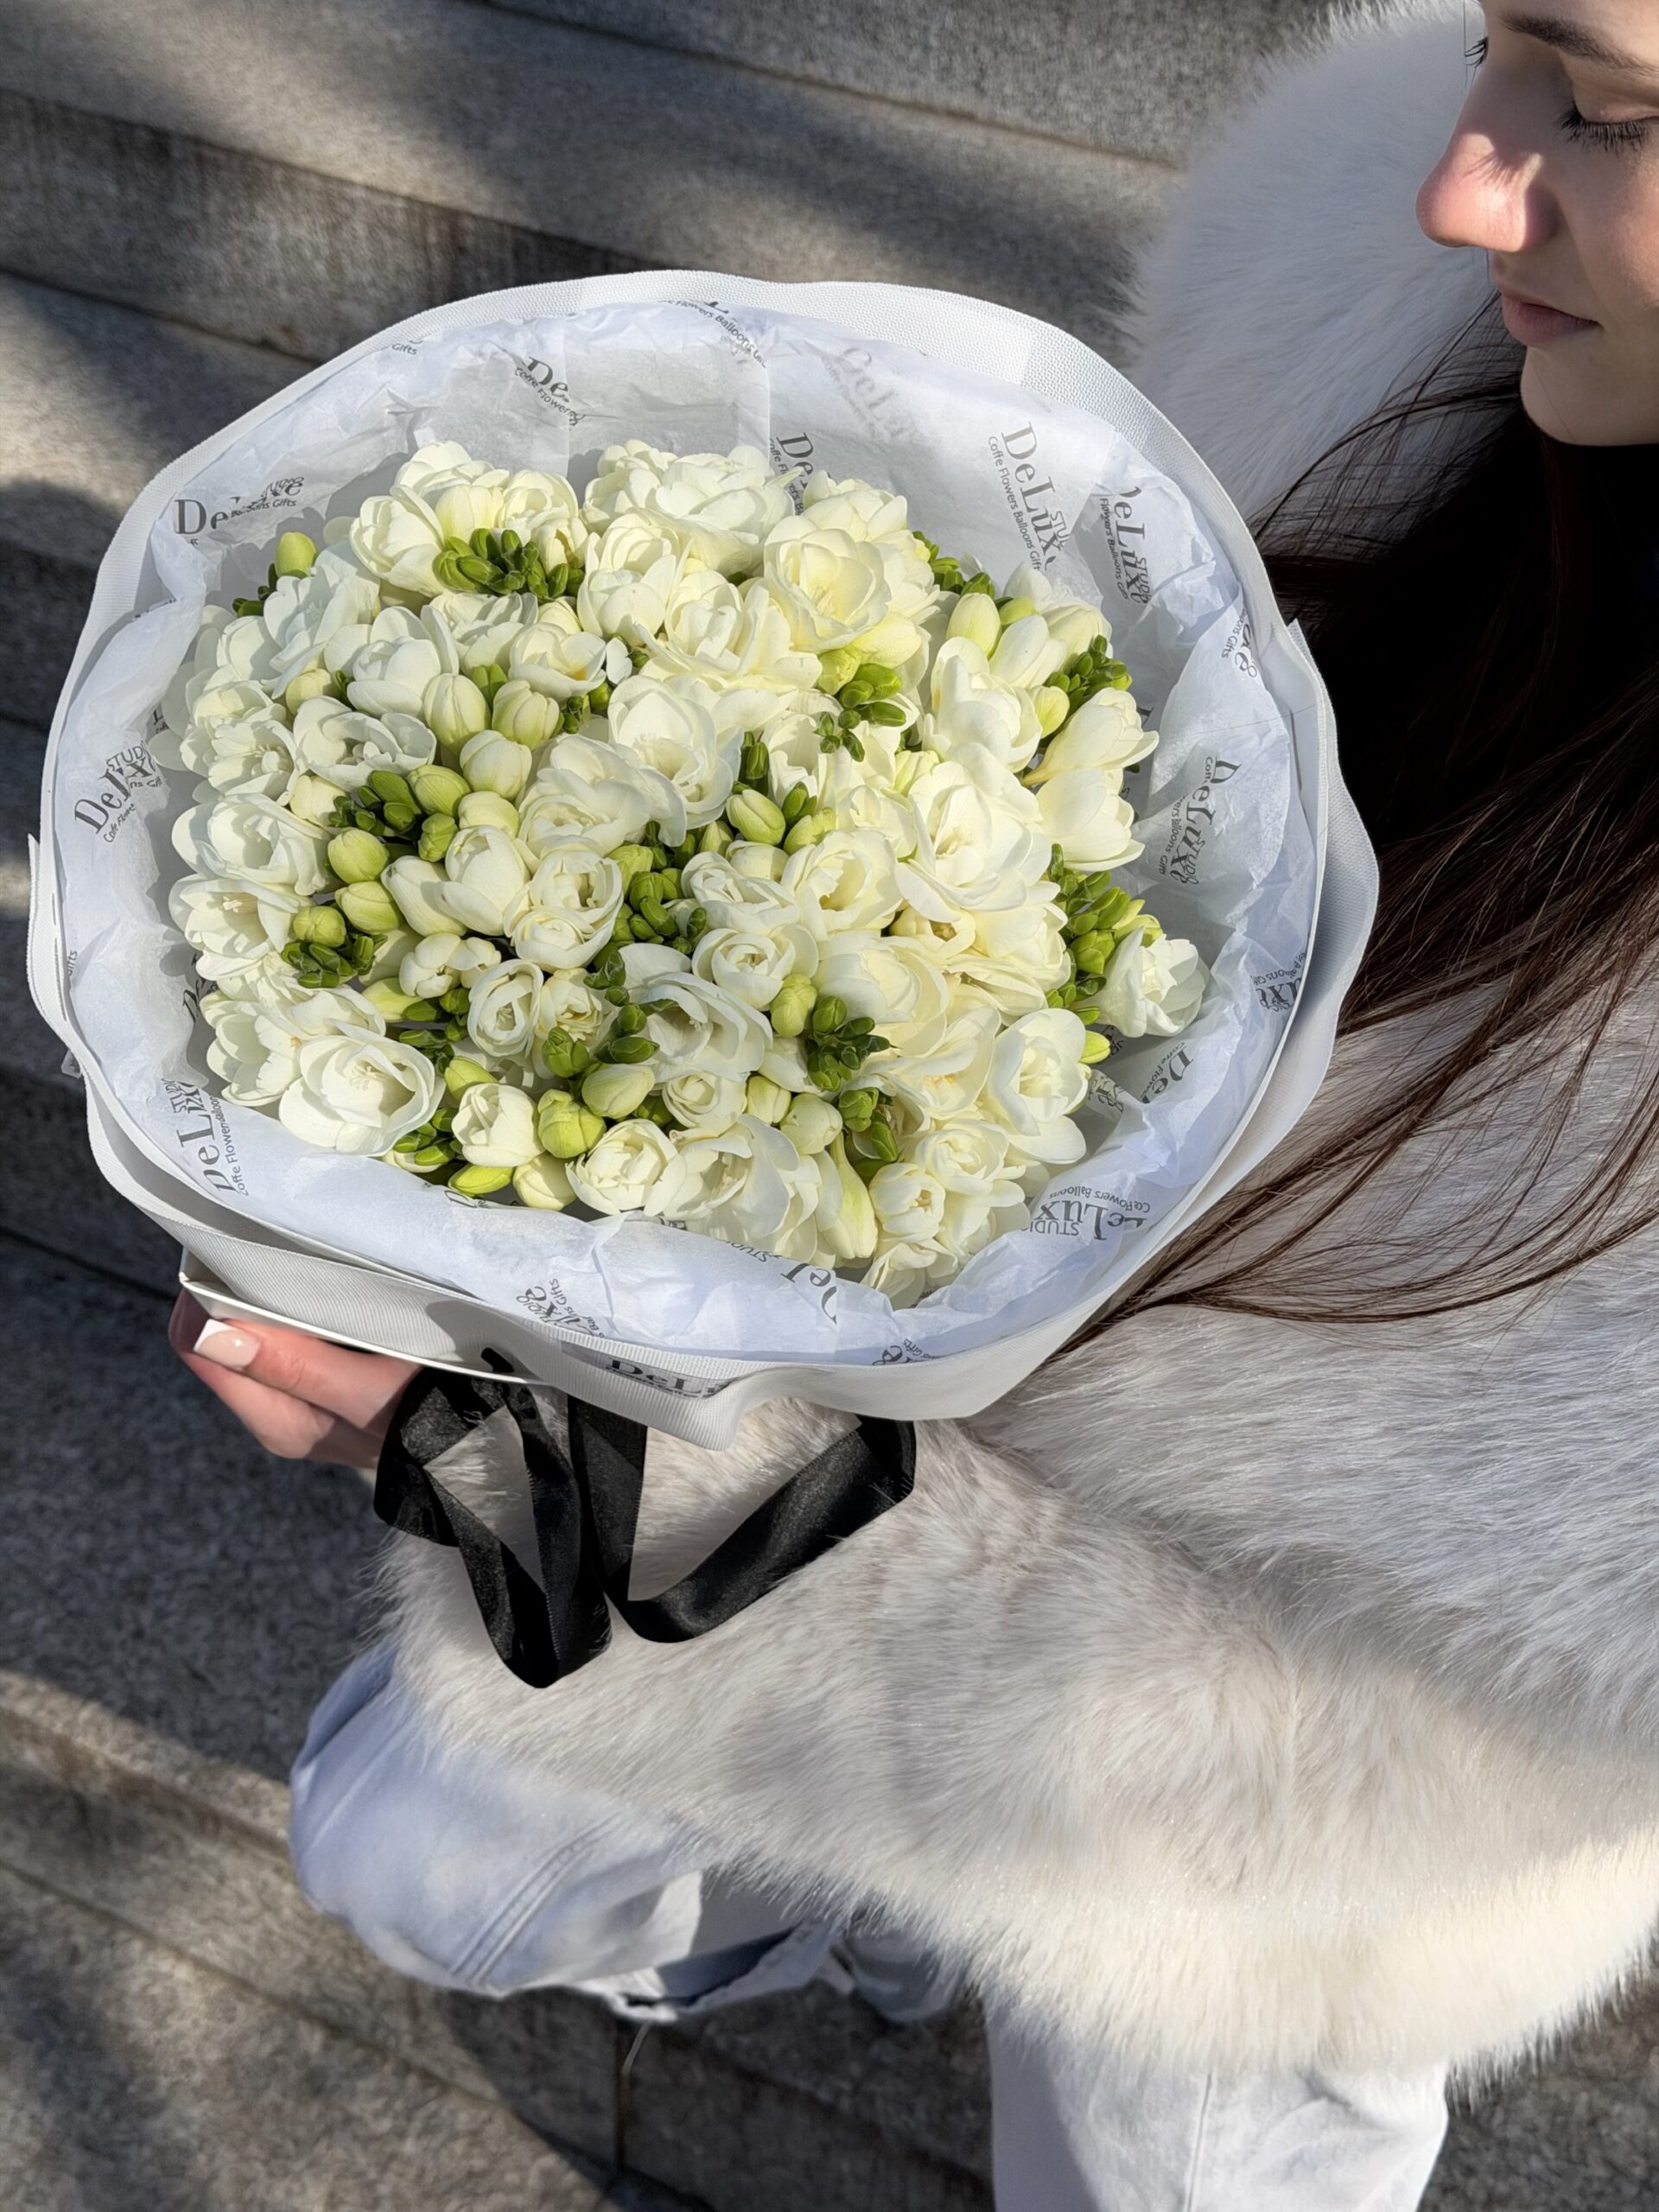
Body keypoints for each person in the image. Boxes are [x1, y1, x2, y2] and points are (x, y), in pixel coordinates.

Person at [170, 4, 1659, 2205]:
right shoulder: (1371, 258)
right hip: (897, 1381)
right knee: (407, 1847)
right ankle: (866, 1916)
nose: (1461, 181)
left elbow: (1341, 1766)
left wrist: (609, 1490)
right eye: (1503, 46)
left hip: (1298, 1833)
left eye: (1604, 109)